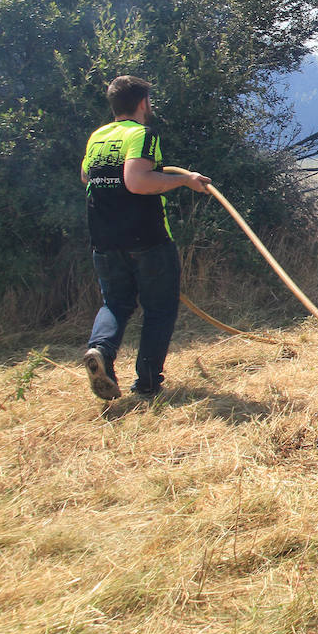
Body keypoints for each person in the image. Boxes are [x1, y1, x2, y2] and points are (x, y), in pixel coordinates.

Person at [80, 76, 211, 401]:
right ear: (143, 103)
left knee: (116, 303)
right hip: (147, 238)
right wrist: (184, 180)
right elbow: (137, 182)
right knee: (160, 308)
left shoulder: (98, 137)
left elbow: (86, 176)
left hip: (104, 240)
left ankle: (101, 350)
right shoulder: (142, 134)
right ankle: (148, 384)